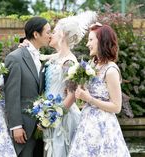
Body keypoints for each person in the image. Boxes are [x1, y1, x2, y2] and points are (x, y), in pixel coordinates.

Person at [38, 11, 96, 157]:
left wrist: (51, 117)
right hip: (51, 113)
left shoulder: (69, 62)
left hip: (63, 117)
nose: (51, 34)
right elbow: (38, 55)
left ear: (62, 34)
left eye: (55, 31)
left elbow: (71, 96)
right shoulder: (55, 58)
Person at [68, 23, 131, 157]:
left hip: (103, 129)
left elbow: (116, 107)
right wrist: (81, 93)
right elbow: (86, 99)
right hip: (86, 125)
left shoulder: (111, 70)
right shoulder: (92, 65)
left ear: (102, 42)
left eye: (91, 40)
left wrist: (89, 98)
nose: (87, 44)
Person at [4, 17, 51, 157]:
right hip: (23, 127)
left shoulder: (41, 57)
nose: (50, 35)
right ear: (36, 34)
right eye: (48, 32)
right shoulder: (15, 58)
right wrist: (16, 126)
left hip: (41, 126)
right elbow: (12, 94)